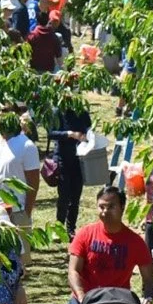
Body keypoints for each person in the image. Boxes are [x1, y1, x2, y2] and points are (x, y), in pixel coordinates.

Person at [59, 186, 153, 304]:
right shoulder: (85, 234)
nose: (104, 212)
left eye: (110, 207)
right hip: (85, 301)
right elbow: (73, 271)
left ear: (122, 207)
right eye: (101, 207)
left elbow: (149, 279)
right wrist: (81, 296)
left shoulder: (135, 242)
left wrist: (148, 297)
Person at [0, 112, 42, 236]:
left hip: (16, 212)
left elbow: (33, 183)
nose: (0, 114)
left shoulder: (27, 146)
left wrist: (26, 213)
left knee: (21, 253)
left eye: (5, 111)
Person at [47, 99, 93, 232]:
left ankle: (71, 228)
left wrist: (87, 138)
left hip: (79, 159)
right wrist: (70, 134)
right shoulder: (57, 112)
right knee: (64, 195)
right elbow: (51, 133)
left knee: (75, 196)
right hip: (62, 159)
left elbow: (90, 130)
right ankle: (59, 227)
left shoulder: (82, 113)